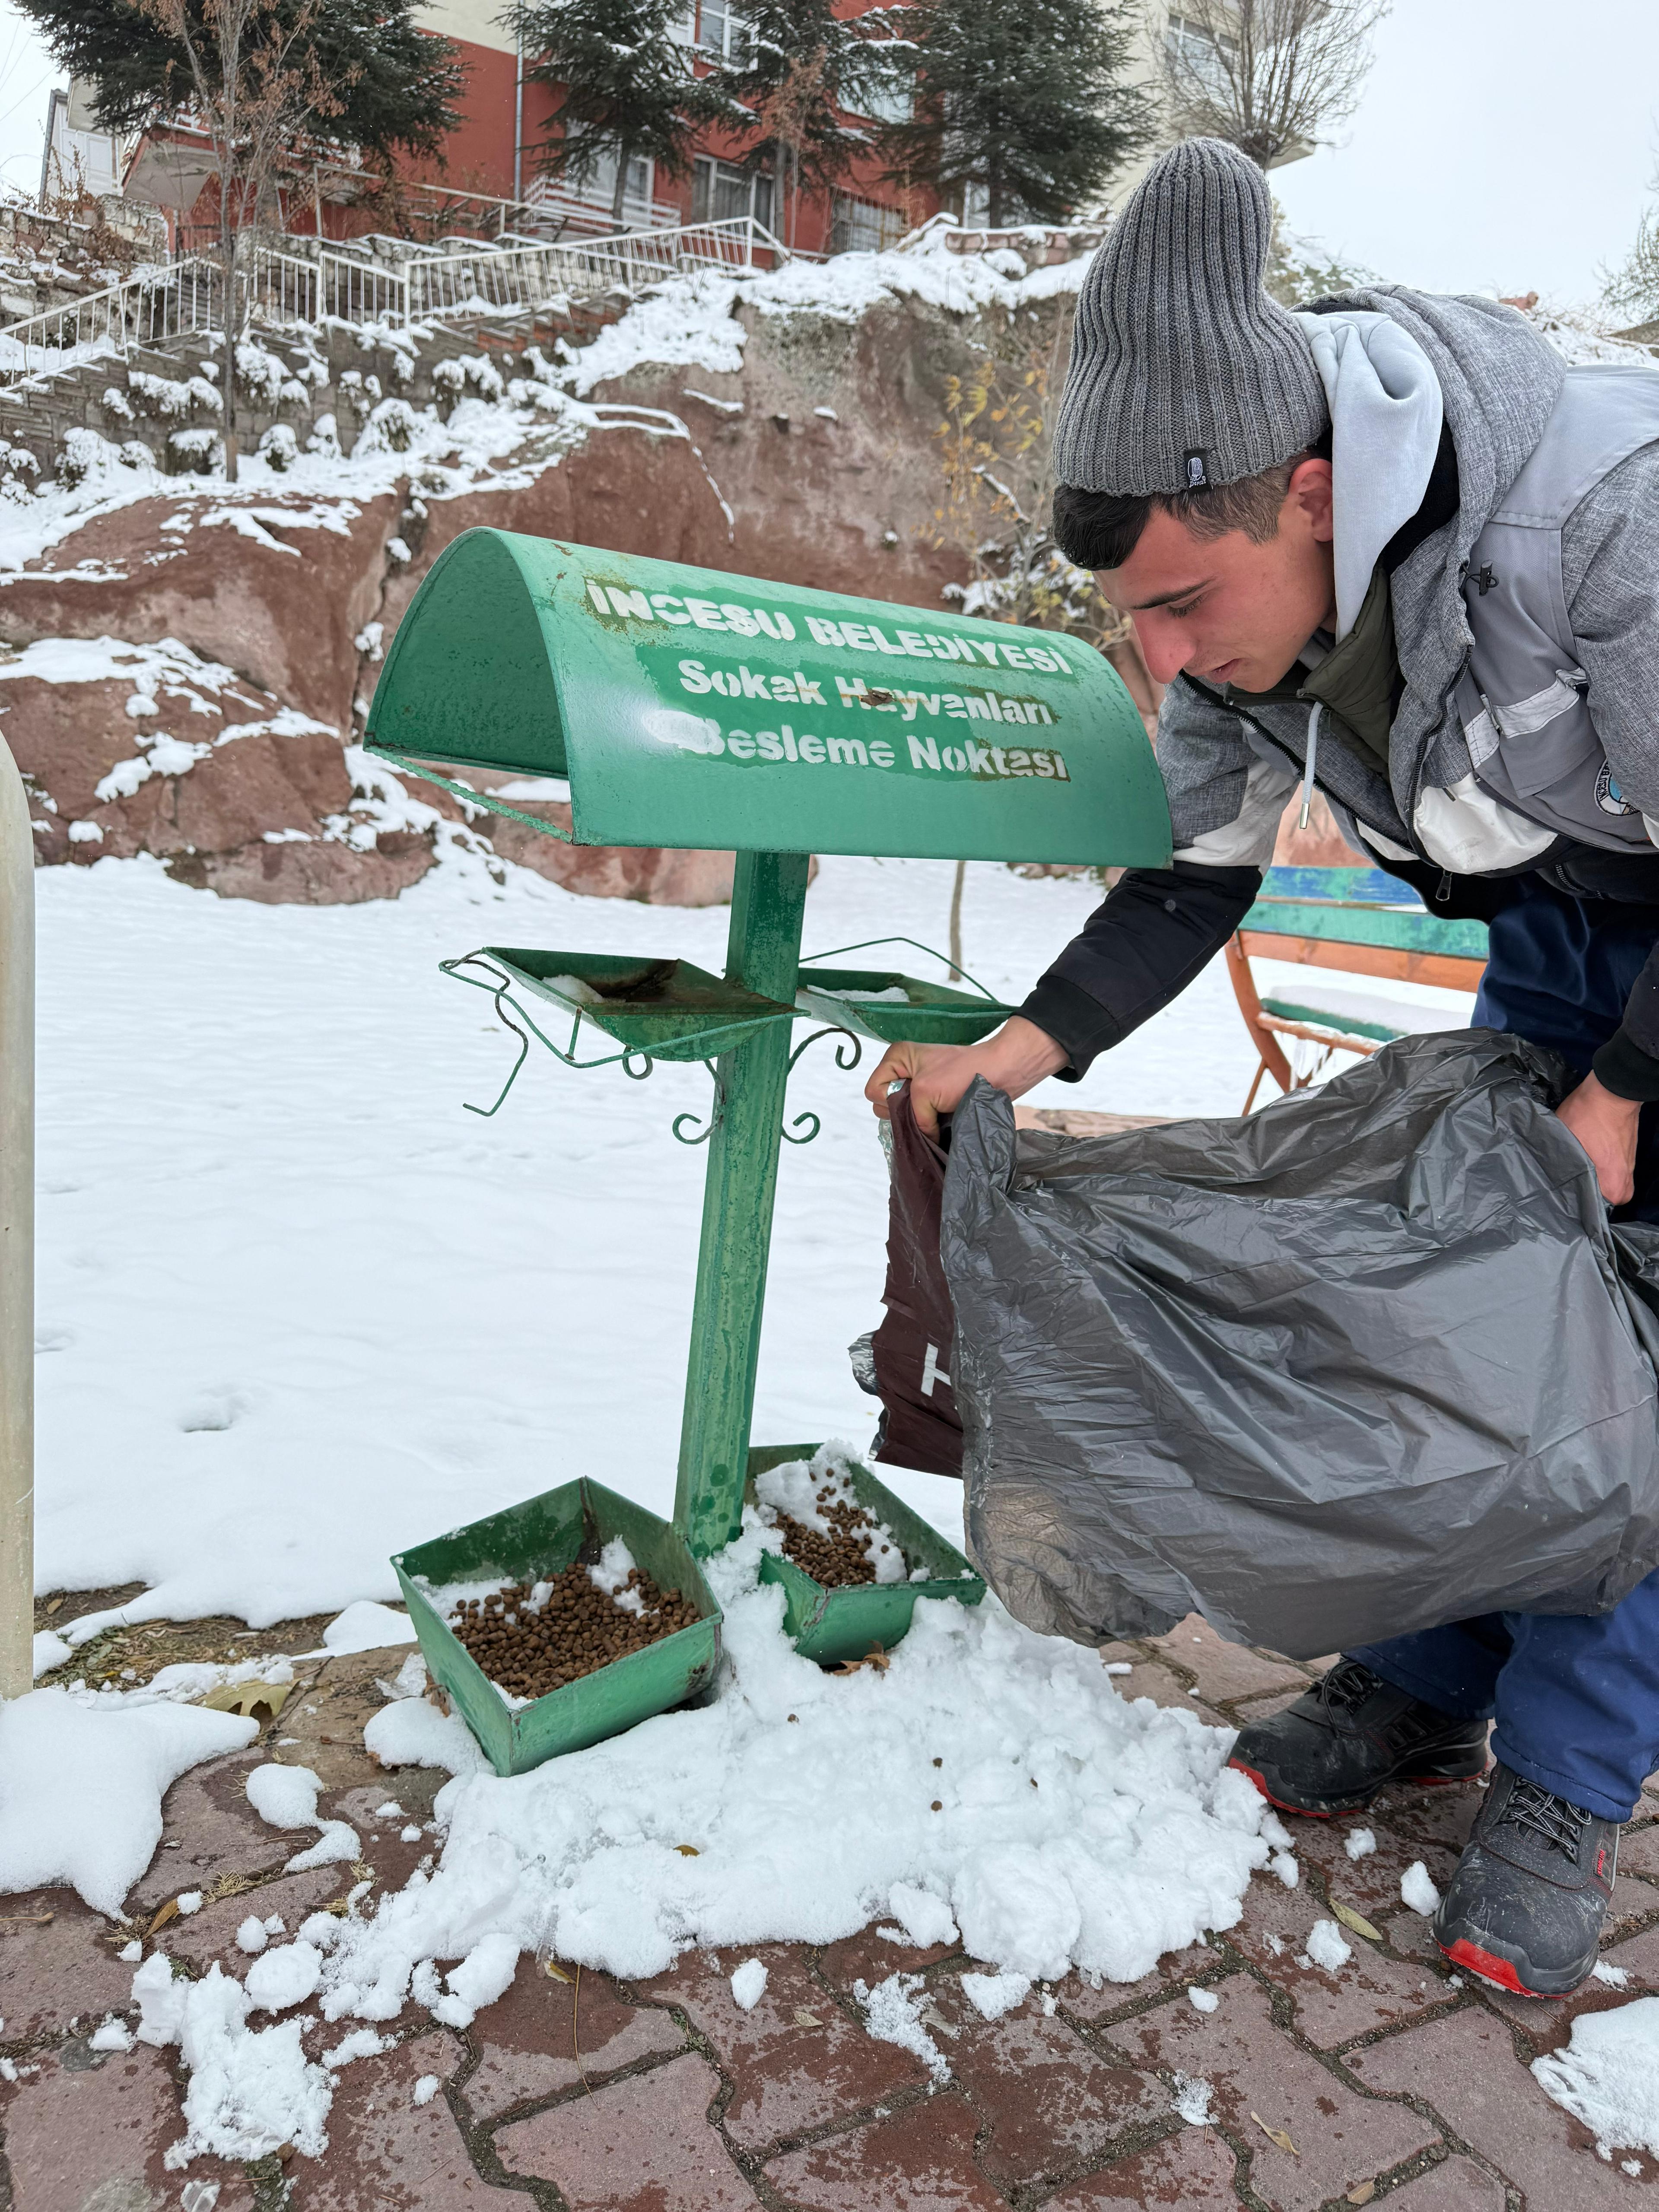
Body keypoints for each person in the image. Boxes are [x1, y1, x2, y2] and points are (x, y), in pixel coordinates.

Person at [863, 136, 1659, 2002]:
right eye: (1132, 616)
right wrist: (1024, 1048)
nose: (1161, 655)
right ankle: (1437, 1680)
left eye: (1180, 603)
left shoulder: (1609, 519)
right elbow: (1186, 870)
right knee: (1492, 1320)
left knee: (1628, 1367)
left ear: (1313, 491)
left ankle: (1567, 1776)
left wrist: (1623, 1097)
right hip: (1566, 927)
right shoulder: (1228, 619)